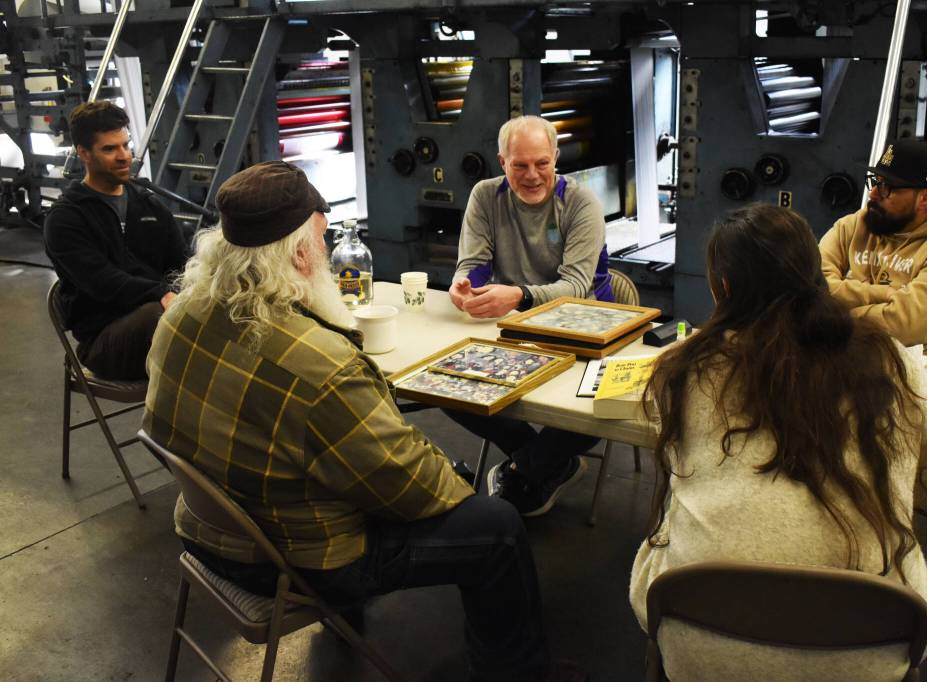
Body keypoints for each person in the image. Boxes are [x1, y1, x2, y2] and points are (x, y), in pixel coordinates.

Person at [143, 161, 582, 682]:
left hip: (207, 530)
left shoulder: (180, 315)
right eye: (321, 243)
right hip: (289, 561)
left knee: (319, 456)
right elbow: (409, 487)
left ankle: (344, 625)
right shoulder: (319, 362)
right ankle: (519, 675)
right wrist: (458, 482)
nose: (326, 255)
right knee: (498, 526)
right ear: (300, 255)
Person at [631, 204, 927, 680]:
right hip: (870, 656)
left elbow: (663, 436)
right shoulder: (885, 361)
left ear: (723, 289)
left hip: (700, 650)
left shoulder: (686, 371)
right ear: (817, 276)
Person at [445, 115, 611, 516]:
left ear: (555, 157)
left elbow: (575, 286)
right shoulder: (485, 196)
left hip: (585, 327)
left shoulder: (581, 202)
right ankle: (549, 463)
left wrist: (518, 295)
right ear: (502, 162)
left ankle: (525, 468)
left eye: (542, 163)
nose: (532, 175)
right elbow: (474, 263)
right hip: (514, 329)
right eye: (520, 165)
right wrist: (464, 284)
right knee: (447, 386)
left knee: (595, 407)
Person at [44, 101, 186, 380]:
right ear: (83, 153)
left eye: (125, 145)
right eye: (109, 149)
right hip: (104, 341)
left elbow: (181, 263)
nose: (124, 156)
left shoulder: (149, 205)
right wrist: (161, 293)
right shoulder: (65, 219)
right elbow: (104, 283)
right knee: (157, 315)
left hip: (160, 320)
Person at [819, 139, 927, 365]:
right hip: (845, 367)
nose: (873, 194)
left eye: (887, 187)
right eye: (874, 181)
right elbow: (812, 286)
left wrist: (829, 318)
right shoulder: (854, 226)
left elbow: (904, 327)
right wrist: (883, 295)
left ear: (926, 198)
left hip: (917, 383)